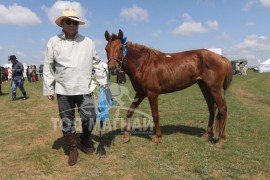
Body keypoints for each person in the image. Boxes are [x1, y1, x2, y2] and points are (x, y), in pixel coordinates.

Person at [43, 8, 108, 166]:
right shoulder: (53, 42)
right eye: (69, 22)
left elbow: (97, 64)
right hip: (63, 90)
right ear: (62, 24)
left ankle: (84, 140)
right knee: (67, 121)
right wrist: (49, 88)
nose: (72, 25)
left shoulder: (88, 42)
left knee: (90, 118)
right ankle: (73, 148)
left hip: (85, 88)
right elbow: (48, 66)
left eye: (75, 22)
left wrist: (103, 82)